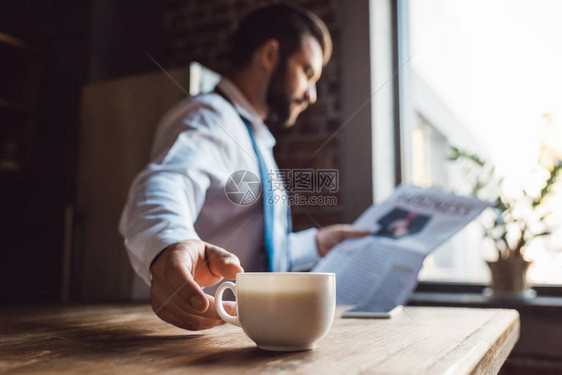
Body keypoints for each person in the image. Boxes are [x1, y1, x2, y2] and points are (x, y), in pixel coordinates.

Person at [119, 3, 370, 331]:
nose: (311, 94)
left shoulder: (254, 138)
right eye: (307, 73)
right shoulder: (208, 117)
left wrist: (320, 243)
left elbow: (255, 250)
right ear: (270, 55)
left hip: (229, 338)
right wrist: (169, 244)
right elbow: (164, 182)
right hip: (182, 337)